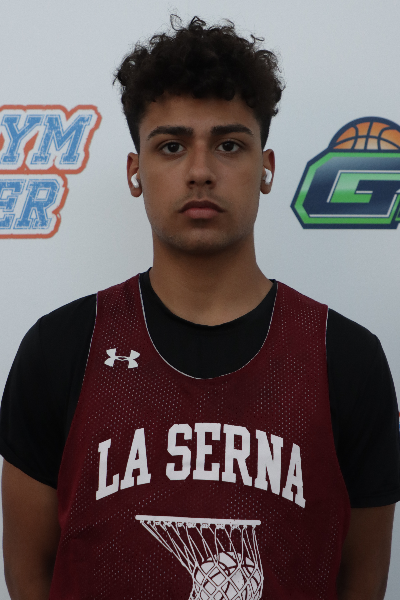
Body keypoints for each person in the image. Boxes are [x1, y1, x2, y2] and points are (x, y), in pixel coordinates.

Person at [1, 15, 399, 600]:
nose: (200, 172)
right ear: (135, 172)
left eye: (229, 145)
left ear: (266, 168)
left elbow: (360, 580)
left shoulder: (346, 359)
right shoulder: (60, 348)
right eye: (172, 146)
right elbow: (29, 573)